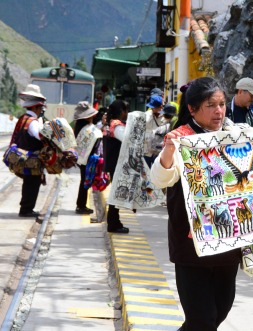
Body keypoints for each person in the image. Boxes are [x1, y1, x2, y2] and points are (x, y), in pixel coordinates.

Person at [150, 77, 241, 331]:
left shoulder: (233, 134)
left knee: (219, 312)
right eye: (211, 105)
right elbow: (160, 178)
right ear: (192, 109)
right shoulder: (181, 139)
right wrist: (169, 149)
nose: (219, 111)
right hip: (192, 245)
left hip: (227, 242)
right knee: (202, 319)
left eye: (222, 104)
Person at [12, 84, 46, 218]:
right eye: (40, 108)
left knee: (28, 183)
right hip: (32, 159)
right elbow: (40, 136)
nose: (41, 110)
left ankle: (25, 207)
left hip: (24, 157)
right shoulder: (33, 122)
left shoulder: (23, 118)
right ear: (36, 107)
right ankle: (26, 209)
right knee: (32, 184)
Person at [102, 99, 130, 234]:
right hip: (117, 164)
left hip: (113, 163)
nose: (127, 113)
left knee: (116, 193)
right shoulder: (117, 125)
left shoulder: (110, 124)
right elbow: (127, 140)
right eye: (126, 110)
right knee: (116, 195)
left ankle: (114, 222)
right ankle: (113, 223)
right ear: (121, 111)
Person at [73, 101, 99, 215]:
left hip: (81, 158)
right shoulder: (89, 129)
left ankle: (81, 204)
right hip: (87, 159)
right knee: (85, 181)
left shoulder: (80, 127)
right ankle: (81, 205)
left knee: (84, 181)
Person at [144, 94, 164, 167]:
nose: (152, 109)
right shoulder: (146, 116)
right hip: (146, 151)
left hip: (159, 152)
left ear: (160, 107)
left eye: (154, 107)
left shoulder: (165, 117)